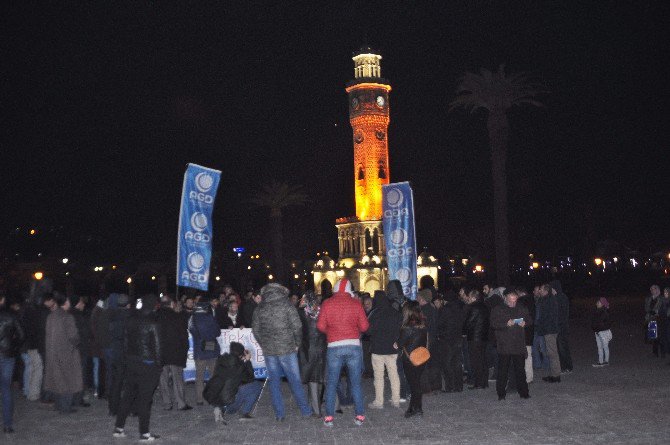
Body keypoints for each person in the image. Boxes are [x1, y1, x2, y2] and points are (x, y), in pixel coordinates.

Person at [252, 283, 311, 421]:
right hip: (287, 349)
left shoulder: (260, 308)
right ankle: (305, 411)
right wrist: (297, 343)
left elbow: (256, 330)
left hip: (269, 350)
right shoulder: (288, 305)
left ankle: (279, 414)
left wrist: (264, 343)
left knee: (274, 382)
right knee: (295, 380)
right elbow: (297, 326)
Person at [317, 278, 369, 427]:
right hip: (353, 346)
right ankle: (359, 416)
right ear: (349, 290)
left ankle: (329, 417)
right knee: (355, 383)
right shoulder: (356, 303)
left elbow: (320, 326)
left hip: (334, 346)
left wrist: (330, 332)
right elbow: (365, 327)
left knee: (332, 383)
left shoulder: (327, 303)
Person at [113, 294, 162, 441]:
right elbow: (158, 347)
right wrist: (159, 365)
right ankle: (144, 432)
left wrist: (128, 359)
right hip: (147, 364)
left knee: (127, 396)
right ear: (153, 305)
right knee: (145, 399)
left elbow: (126, 342)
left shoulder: (130, 320)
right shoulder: (154, 323)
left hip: (132, 362)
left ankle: (119, 427)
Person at [44, 292, 84, 413]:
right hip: (66, 352)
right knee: (69, 379)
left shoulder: (51, 316)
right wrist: (78, 341)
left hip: (52, 352)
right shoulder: (67, 317)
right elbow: (73, 336)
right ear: (66, 303)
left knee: (57, 380)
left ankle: (59, 405)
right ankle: (66, 407)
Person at [204, 341, 262, 423]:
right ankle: (244, 413)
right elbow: (250, 378)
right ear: (241, 354)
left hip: (215, 398)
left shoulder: (220, 360)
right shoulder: (239, 366)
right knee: (256, 385)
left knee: (232, 386)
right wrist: (247, 361)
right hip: (229, 403)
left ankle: (220, 408)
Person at [490, 289, 531, 400]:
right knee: (503, 371)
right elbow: (493, 323)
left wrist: (525, 323)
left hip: (518, 345)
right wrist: (505, 324)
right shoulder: (498, 309)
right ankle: (501, 394)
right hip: (504, 345)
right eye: (511, 301)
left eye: (515, 301)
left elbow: (529, 320)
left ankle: (524, 393)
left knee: (520, 371)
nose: (513, 303)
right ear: (505, 299)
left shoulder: (521, 308)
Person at [367, 289, 402, 408]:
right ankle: (396, 399)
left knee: (378, 376)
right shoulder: (395, 312)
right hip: (392, 348)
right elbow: (400, 329)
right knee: (393, 374)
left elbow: (368, 330)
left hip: (377, 349)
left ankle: (379, 401)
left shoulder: (374, 313)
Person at [157, 297, 191, 411]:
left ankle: (167, 403)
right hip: (175, 352)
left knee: (163, 379)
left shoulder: (155, 317)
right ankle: (180, 403)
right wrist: (184, 350)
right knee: (177, 379)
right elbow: (183, 336)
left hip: (161, 353)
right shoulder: (177, 317)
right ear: (171, 304)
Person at [395, 301, 427, 418]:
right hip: (422, 357)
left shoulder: (407, 327)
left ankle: (417, 408)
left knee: (414, 384)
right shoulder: (423, 325)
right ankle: (413, 407)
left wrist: (396, 344)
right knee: (416, 382)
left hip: (410, 359)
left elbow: (400, 343)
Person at [299, 292, 327, 417]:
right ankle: (335, 406)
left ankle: (316, 410)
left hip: (308, 350)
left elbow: (298, 331)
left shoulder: (301, 314)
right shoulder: (323, 312)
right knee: (325, 377)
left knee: (313, 379)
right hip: (323, 348)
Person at [189, 300, 221, 406]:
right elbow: (218, 332)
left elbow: (192, 331)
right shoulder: (210, 318)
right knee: (213, 375)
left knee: (199, 376)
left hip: (199, 350)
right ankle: (213, 397)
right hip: (212, 350)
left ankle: (199, 399)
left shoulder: (192, 319)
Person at [1, 294, 25, 433]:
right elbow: (22, 335)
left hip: (6, 354)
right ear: (3, 300)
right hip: (7, 355)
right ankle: (7, 424)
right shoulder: (11, 315)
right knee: (6, 389)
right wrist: (13, 346)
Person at [436, 289, 465, 393]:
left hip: (446, 338)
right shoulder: (461, 307)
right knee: (457, 363)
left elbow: (439, 324)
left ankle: (450, 386)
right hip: (457, 337)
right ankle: (459, 386)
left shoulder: (445, 309)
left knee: (447, 363)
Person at [107, 292, 131, 415]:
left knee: (116, 381)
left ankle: (113, 407)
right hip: (126, 352)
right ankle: (129, 408)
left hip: (115, 350)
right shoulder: (129, 317)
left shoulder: (111, 316)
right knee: (129, 382)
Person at [463, 289, 489, 389]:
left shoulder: (472, 307)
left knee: (475, 361)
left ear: (473, 297)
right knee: (483, 359)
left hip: (474, 337)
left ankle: (478, 383)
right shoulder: (485, 306)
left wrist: (463, 332)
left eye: (469, 297)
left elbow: (469, 322)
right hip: (483, 337)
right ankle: (484, 382)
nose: (468, 299)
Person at [537, 284, 561, 383]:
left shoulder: (548, 301)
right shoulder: (548, 299)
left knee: (552, 353)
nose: (539, 291)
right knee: (551, 352)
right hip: (550, 329)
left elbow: (546, 317)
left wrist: (542, 327)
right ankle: (554, 373)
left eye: (541, 289)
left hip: (550, 330)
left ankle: (556, 375)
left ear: (546, 291)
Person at [550, 280, 573, 373]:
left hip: (561, 327)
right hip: (560, 326)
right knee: (560, 347)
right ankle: (564, 366)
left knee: (563, 347)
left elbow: (561, 314)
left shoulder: (560, 298)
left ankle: (567, 367)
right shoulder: (558, 297)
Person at [516, 287, 535, 383]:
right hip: (530, 331)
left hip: (523, 332)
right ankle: (529, 376)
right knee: (528, 354)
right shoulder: (532, 301)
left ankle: (526, 377)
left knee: (525, 355)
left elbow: (521, 318)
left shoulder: (522, 303)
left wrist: (513, 321)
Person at [591, 297, 612, 367]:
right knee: (599, 347)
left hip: (603, 332)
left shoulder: (604, 312)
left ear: (602, 304)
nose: (597, 303)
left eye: (598, 302)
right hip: (598, 331)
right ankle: (601, 361)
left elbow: (601, 323)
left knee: (605, 346)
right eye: (597, 302)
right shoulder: (597, 311)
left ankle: (606, 361)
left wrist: (597, 328)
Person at [645, 285, 662, 356]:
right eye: (651, 289)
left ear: (657, 290)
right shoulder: (649, 298)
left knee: (657, 336)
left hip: (658, 319)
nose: (652, 291)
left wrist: (655, 312)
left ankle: (658, 352)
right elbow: (646, 308)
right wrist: (650, 312)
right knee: (652, 336)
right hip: (650, 318)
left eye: (653, 289)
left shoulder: (661, 299)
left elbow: (661, 309)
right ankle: (654, 352)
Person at [658, 288, 670, 359]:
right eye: (664, 292)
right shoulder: (662, 300)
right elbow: (658, 309)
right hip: (662, 321)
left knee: (668, 338)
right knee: (662, 338)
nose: (665, 293)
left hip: (668, 321)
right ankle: (663, 353)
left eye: (667, 292)